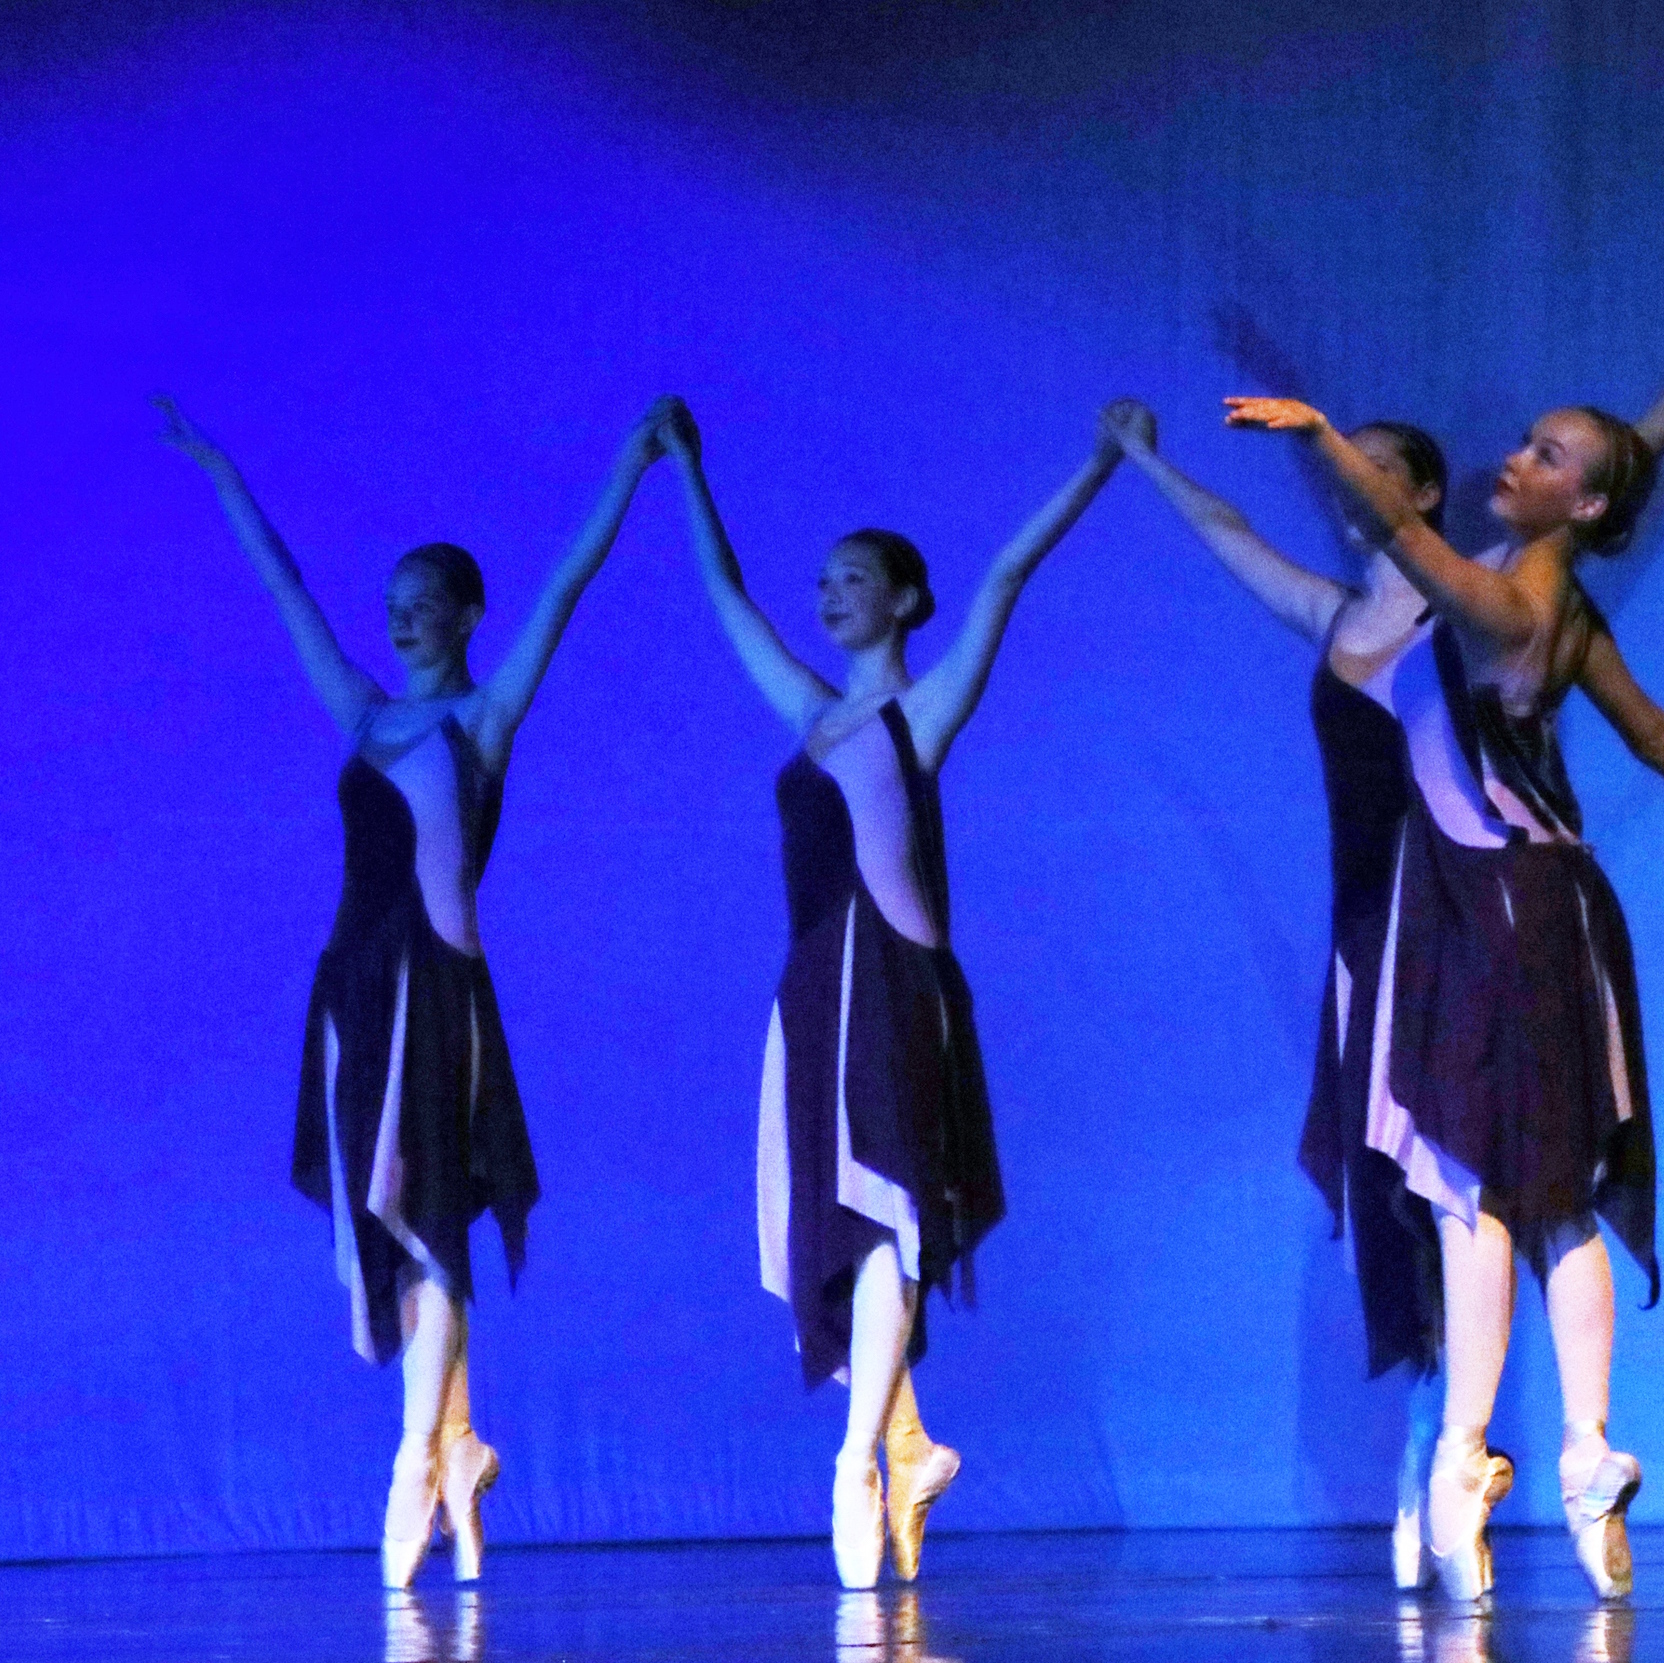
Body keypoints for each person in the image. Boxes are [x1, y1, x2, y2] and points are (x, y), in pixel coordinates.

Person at [1224, 369, 1664, 1601]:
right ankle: (1585, 1452)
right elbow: (1648, 726)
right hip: (1552, 905)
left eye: (1545, 457)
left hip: (1491, 910)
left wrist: (1324, 432)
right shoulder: (1570, 593)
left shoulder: (1503, 603)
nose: (1519, 459)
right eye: (1529, 441)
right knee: (1556, 1195)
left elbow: (1402, 533)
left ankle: (1463, 1460)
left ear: (1578, 504)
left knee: (1468, 1188)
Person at [155, 393, 675, 1586]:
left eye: (423, 603)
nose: (400, 621)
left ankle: (412, 1462)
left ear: (465, 614)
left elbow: (568, 586)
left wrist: (629, 463)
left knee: (434, 1223)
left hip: (439, 992)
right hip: (350, 990)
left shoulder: (484, 717)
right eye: (391, 606)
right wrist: (224, 468)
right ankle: (458, 1442)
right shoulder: (365, 713)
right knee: (390, 1220)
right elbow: (286, 592)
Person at [657, 399, 1122, 1588]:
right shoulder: (812, 715)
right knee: (852, 1222)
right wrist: (687, 471)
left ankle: (860, 1456)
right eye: (827, 578)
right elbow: (728, 595)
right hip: (815, 988)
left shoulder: (924, 707)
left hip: (898, 980)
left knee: (894, 1216)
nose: (832, 592)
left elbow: (1008, 571)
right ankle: (902, 1446)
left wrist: (1099, 458)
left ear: (906, 600)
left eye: (855, 576)